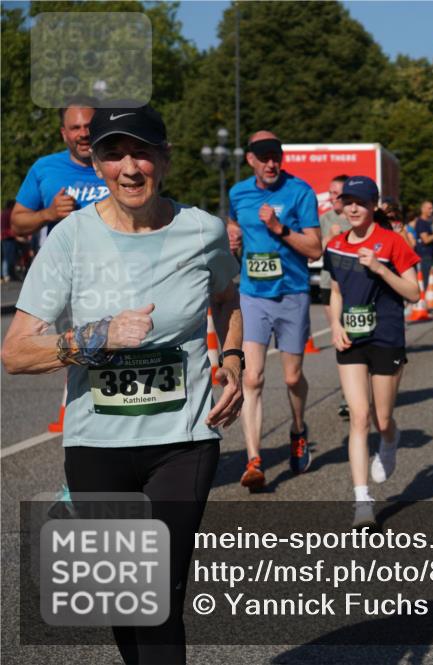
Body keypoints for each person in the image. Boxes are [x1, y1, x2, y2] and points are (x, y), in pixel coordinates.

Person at [2, 102, 244, 664]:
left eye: (141, 152)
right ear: (96, 162)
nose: (128, 167)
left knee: (160, 594)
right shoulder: (70, 239)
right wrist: (95, 337)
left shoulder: (203, 231)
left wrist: (230, 360)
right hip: (97, 446)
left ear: (164, 158)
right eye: (113, 153)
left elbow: (228, 297)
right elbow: (14, 353)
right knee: (123, 597)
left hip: (183, 440)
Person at [227, 131, 322, 490]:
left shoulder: (300, 192)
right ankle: (253, 459)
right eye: (263, 157)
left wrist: (279, 228)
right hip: (253, 294)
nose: (271, 163)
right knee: (252, 378)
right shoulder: (239, 193)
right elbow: (237, 223)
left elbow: (314, 248)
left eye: (276, 156)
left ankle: (298, 429)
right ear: (250, 159)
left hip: (292, 294)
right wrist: (233, 233)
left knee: (293, 378)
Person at [325, 176, 420, 528]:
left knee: (382, 419)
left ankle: (391, 441)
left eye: (360, 202)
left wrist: (380, 268)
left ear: (373, 206)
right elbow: (335, 292)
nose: (352, 208)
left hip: (386, 336)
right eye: (348, 201)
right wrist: (335, 324)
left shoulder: (392, 243)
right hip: (351, 338)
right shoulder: (335, 246)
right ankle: (362, 501)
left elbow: (414, 293)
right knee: (358, 417)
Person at [11, 97, 108, 246]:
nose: (83, 133)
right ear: (64, 133)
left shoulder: (121, 163)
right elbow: (17, 224)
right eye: (75, 128)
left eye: (89, 126)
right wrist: (48, 214)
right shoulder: (44, 168)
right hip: (64, 266)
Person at [320, 174, 353, 420]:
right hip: (329, 284)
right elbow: (317, 249)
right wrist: (331, 238)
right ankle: (348, 394)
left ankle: (354, 392)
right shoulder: (326, 219)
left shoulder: (356, 218)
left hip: (355, 286)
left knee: (355, 339)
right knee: (339, 337)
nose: (332, 198)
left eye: (337, 194)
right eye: (330, 193)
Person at [414, 200, 433, 293]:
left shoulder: (428, 222)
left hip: (429, 255)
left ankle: (424, 299)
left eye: (432, 208)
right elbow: (426, 239)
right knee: (424, 280)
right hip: (424, 255)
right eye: (429, 208)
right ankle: (420, 301)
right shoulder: (421, 222)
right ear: (423, 209)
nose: (432, 210)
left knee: (429, 280)